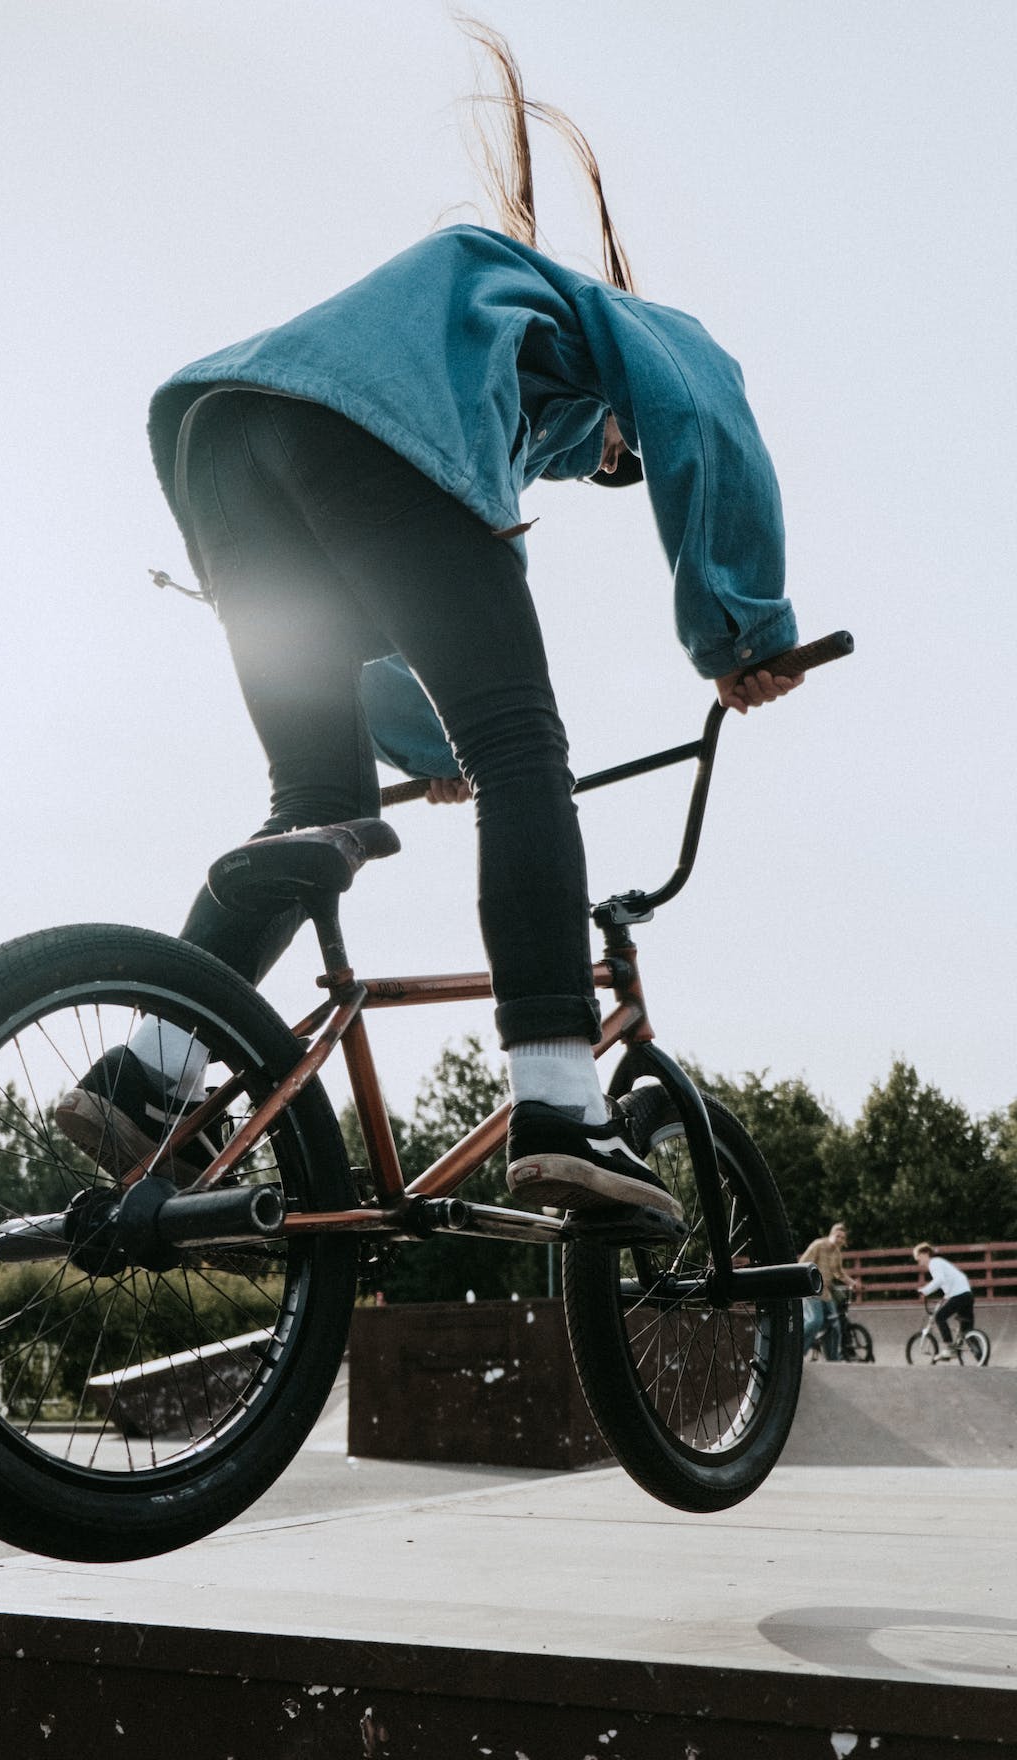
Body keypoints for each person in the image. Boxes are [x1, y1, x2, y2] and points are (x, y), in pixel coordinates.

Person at [56, 23, 803, 1217]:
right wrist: (741, 632)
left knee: (317, 807)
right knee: (525, 755)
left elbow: (381, 630)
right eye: (612, 458)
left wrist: (421, 751)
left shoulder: (461, 359)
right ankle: (561, 1095)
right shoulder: (621, 328)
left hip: (222, 448)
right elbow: (702, 417)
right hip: (345, 436)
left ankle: (149, 1071)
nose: (602, 464)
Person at [798, 1222, 851, 1360]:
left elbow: (839, 1273)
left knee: (834, 1324)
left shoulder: (837, 1253)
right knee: (816, 1321)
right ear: (831, 1234)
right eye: (838, 1236)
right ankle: (796, 1349)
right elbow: (803, 1264)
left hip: (826, 1292)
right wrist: (811, 1282)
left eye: (842, 1238)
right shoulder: (818, 1245)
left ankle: (832, 1359)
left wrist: (853, 1283)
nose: (839, 1240)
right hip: (811, 1290)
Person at [914, 1242, 976, 1354]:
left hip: (959, 1295)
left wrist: (925, 1291)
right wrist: (946, 1297)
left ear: (926, 1253)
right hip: (967, 1295)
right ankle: (981, 1359)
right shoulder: (940, 1263)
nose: (919, 1262)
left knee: (939, 1317)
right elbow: (951, 1281)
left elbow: (939, 1280)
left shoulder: (934, 1263)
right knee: (967, 1332)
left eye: (919, 1258)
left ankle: (949, 1346)